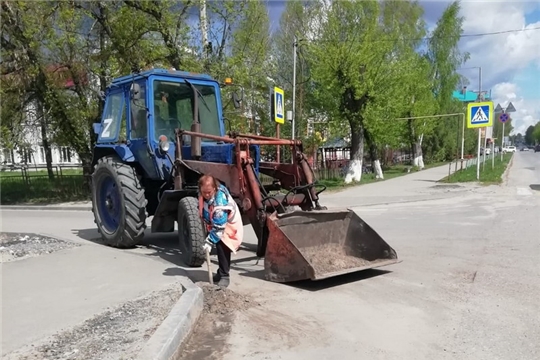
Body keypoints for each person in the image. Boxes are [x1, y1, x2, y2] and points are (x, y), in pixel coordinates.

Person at [198, 174, 243, 288]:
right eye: (204, 192)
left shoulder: (220, 201)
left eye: (209, 192)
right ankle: (221, 271)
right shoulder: (204, 195)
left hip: (229, 223)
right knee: (217, 243)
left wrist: (209, 241)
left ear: (214, 188)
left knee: (222, 246)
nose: (207, 195)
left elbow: (219, 226)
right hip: (216, 223)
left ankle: (224, 276)